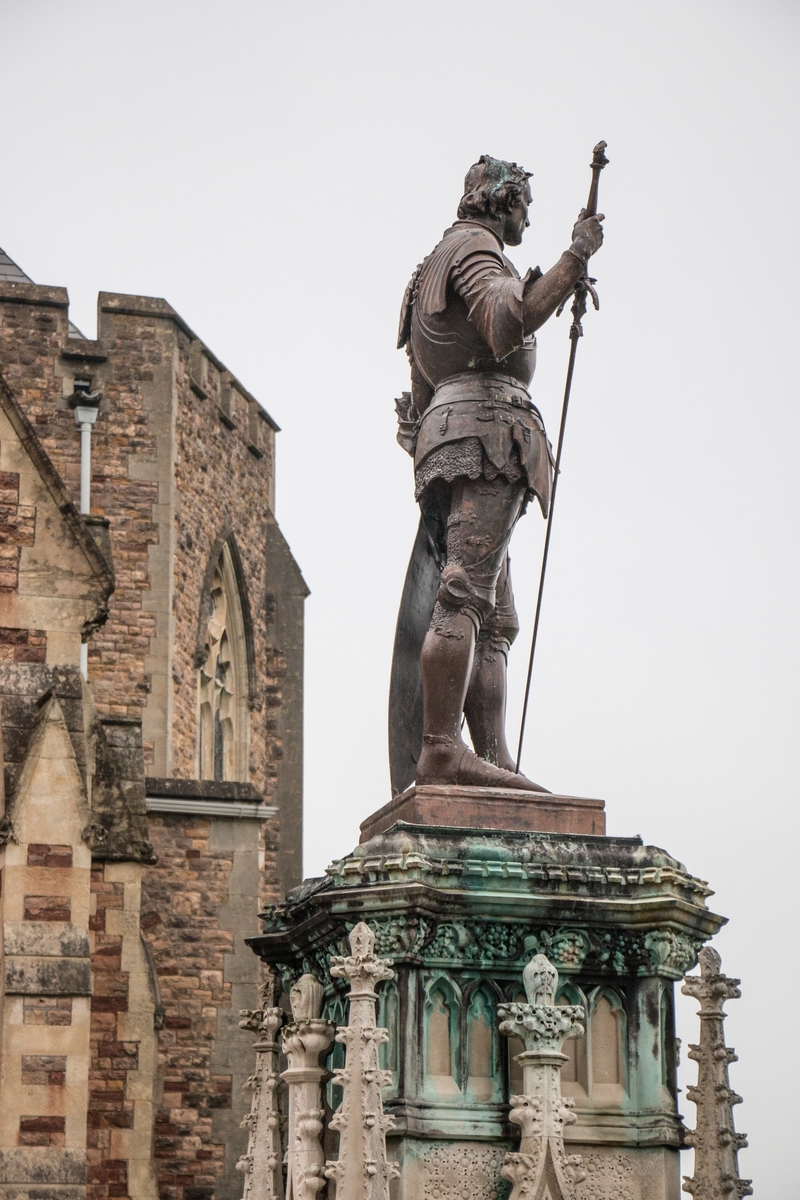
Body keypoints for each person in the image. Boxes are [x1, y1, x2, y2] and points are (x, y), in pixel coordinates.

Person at [393, 154, 604, 791]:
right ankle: (440, 750)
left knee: (495, 615)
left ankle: (490, 758)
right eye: (524, 206)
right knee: (464, 594)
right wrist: (573, 259)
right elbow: (507, 319)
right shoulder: (475, 250)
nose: (529, 217)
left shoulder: (433, 262)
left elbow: (417, 395)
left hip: (459, 433)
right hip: (487, 433)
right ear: (502, 201)